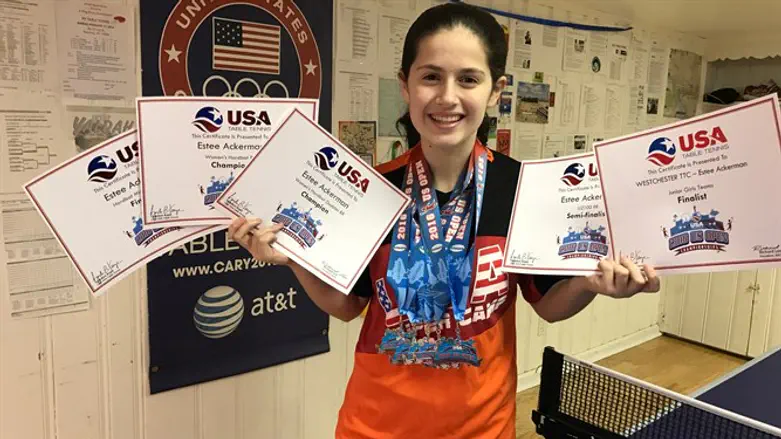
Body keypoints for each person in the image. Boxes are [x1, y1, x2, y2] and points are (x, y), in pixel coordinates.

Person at [228, 3, 661, 438]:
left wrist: (588, 283)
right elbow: (348, 306)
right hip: (374, 427)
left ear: (495, 91)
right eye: (431, 77)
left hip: (482, 428)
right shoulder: (371, 190)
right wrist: (295, 258)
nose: (447, 97)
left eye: (468, 79)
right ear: (406, 85)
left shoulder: (521, 189)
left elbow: (548, 305)